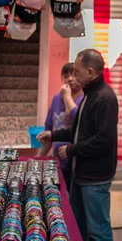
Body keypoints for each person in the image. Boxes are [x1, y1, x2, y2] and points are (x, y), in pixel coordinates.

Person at [37, 49, 118, 241]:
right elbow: (78, 129)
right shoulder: (90, 95)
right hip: (81, 175)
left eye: (77, 71)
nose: (74, 76)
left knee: (98, 232)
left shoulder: (104, 98)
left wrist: (72, 150)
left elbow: (103, 140)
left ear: (90, 72)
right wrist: (54, 135)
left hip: (95, 178)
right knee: (78, 228)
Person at [39, 63, 84, 191]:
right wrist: (41, 157)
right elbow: (49, 131)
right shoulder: (56, 99)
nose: (70, 79)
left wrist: (67, 97)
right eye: (66, 76)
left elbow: (78, 121)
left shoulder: (85, 99)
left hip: (77, 163)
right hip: (57, 162)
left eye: (74, 75)